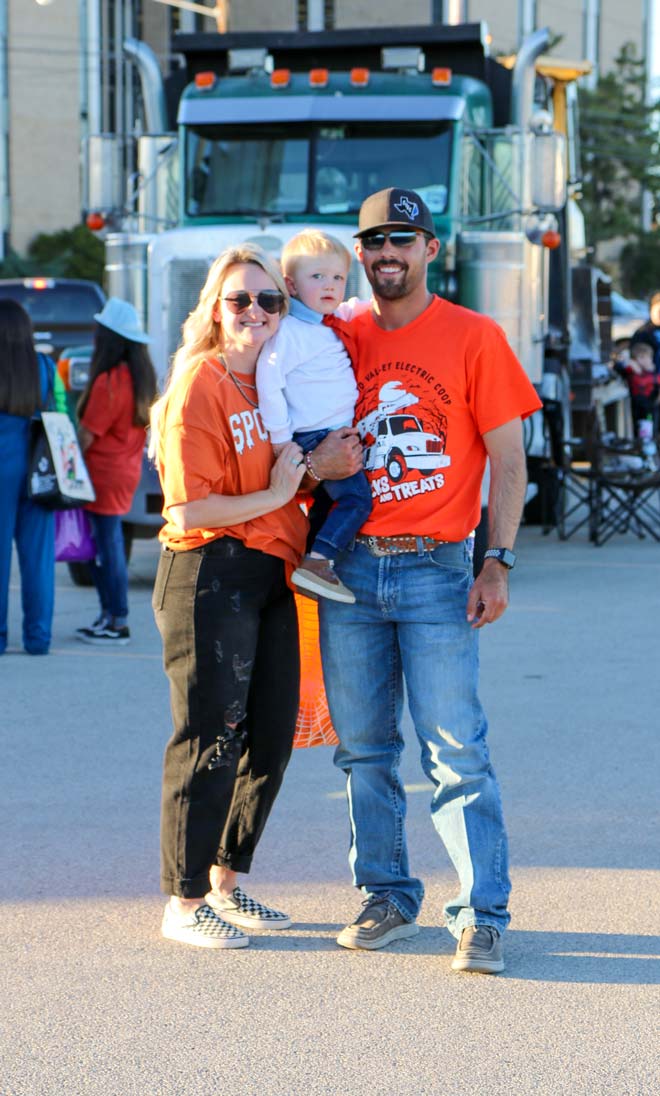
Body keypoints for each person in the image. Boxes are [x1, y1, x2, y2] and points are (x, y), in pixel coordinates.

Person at [311, 187, 543, 974]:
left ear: (431, 249)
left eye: (402, 241)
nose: (386, 256)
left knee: (457, 752)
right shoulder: (336, 333)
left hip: (438, 569)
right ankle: (385, 893)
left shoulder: (475, 337)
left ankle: (482, 913)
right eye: (373, 241)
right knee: (364, 751)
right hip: (348, 570)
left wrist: (498, 560)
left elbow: (509, 462)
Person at [150, 243, 308, 949]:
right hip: (209, 570)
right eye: (239, 298)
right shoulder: (203, 381)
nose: (254, 311)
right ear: (215, 307)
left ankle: (225, 883)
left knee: (272, 735)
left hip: (272, 570)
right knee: (209, 737)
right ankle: (183, 904)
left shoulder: (272, 383)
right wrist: (277, 492)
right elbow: (187, 510)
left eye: (268, 299)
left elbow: (286, 477)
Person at [256, 229, 372, 603]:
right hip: (313, 435)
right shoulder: (291, 331)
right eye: (318, 277)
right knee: (357, 501)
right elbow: (269, 382)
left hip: (328, 432)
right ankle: (321, 561)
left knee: (327, 502)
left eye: (337, 277)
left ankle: (309, 561)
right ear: (290, 284)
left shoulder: (326, 320)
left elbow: (354, 307)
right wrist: (280, 440)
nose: (330, 285)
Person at [75, 298, 157, 646]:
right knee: (109, 547)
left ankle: (116, 620)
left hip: (101, 475)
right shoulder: (141, 377)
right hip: (126, 472)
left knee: (104, 549)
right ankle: (109, 616)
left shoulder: (110, 380)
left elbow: (87, 433)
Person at [0, 299, 56, 655]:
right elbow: (60, 413)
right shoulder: (46, 366)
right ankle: (38, 638)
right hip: (39, 468)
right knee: (38, 559)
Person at [613, 338, 660, 432]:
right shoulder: (632, 371)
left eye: (648, 357)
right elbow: (618, 366)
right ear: (635, 359)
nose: (645, 360)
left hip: (650, 409)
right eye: (641, 357)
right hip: (636, 408)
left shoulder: (655, 374)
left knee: (650, 427)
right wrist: (632, 364)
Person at [629, 292, 660, 369]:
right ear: (651, 309)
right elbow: (633, 358)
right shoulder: (642, 333)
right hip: (649, 377)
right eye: (658, 311)